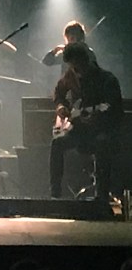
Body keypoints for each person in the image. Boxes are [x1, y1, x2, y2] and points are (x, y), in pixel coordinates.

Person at [50, 41, 122, 201]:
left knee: (102, 143)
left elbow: (114, 110)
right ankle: (55, 195)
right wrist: (61, 106)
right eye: (73, 68)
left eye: (78, 67)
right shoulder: (71, 76)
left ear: (86, 61)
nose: (76, 72)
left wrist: (97, 117)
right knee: (57, 143)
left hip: (102, 130)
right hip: (80, 131)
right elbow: (58, 92)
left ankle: (101, 196)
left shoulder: (107, 80)